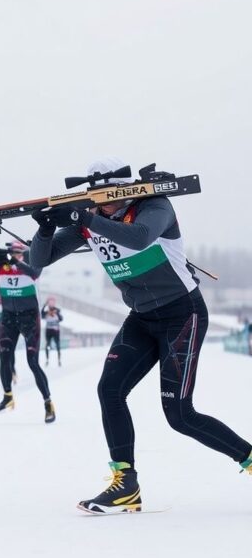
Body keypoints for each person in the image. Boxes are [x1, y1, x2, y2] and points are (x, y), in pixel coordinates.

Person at [30, 160, 252, 513]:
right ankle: (126, 485)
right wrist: (44, 229)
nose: (101, 206)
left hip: (183, 314)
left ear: (123, 190)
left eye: (107, 198)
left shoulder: (155, 206)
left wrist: (83, 218)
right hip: (142, 318)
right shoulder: (91, 218)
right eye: (95, 200)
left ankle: (249, 458)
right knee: (109, 390)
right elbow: (39, 260)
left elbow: (140, 237)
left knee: (180, 415)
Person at [0, 241, 55, 422]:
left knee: (32, 362)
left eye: (17, 253)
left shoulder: (32, 262)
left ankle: (48, 403)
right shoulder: (1, 265)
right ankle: (7, 396)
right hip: (9, 317)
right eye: (11, 252)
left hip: (30, 318)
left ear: (23, 254)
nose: (13, 255)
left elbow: (35, 273)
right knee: (4, 357)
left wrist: (15, 261)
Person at [41, 296, 63, 366]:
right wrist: (45, 305)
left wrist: (56, 313)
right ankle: (47, 360)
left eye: (52, 302)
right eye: (50, 302)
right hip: (48, 330)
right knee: (48, 344)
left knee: (58, 345)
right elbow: (42, 314)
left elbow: (61, 318)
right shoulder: (46, 311)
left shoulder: (57, 310)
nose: (51, 304)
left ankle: (59, 360)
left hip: (56, 330)